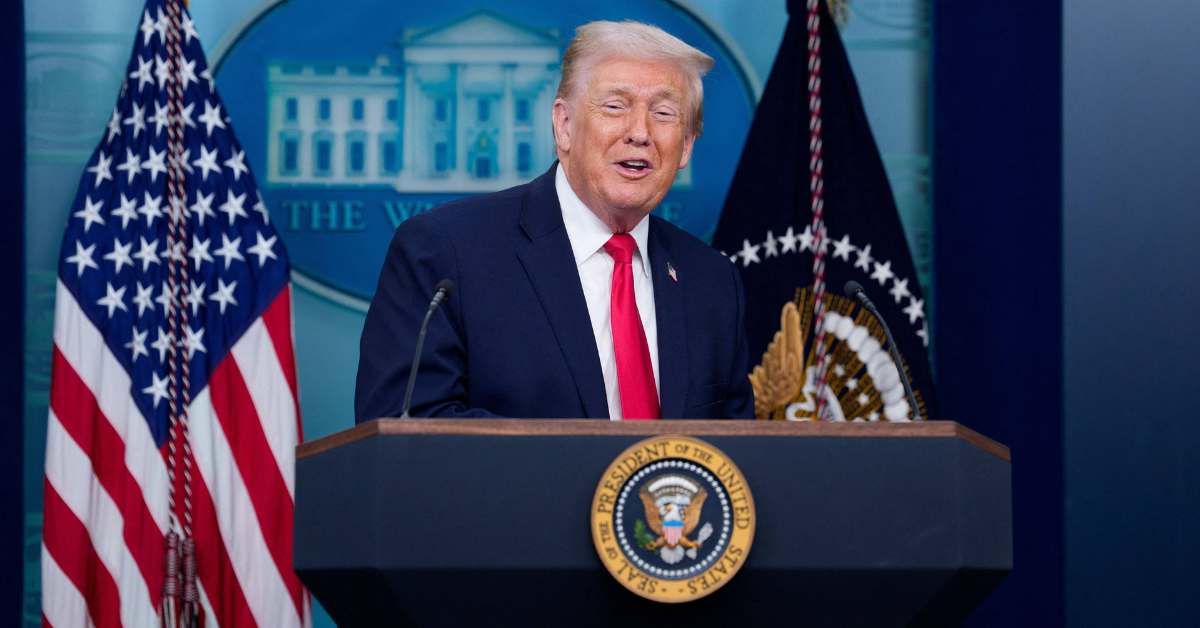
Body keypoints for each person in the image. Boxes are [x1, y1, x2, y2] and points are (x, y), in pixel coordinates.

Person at [354, 20, 754, 421]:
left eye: (664, 113)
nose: (639, 132)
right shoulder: (444, 253)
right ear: (564, 126)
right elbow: (408, 431)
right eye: (615, 105)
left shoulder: (713, 281)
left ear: (685, 146)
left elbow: (737, 460)